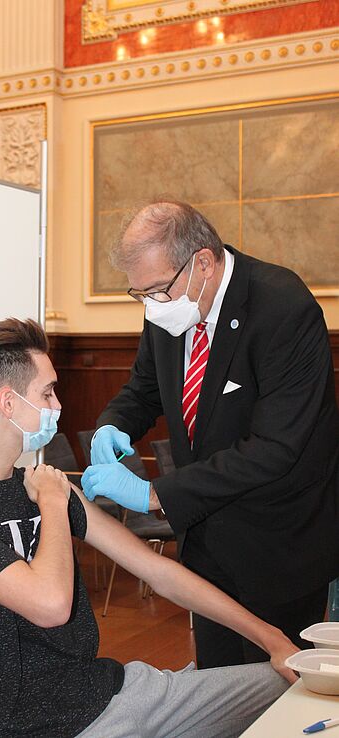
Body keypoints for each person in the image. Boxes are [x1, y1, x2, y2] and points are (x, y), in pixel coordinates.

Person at [0, 317, 298, 738]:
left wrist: (272, 639)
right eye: (48, 392)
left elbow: (158, 571)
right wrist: (55, 504)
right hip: (40, 726)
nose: (57, 406)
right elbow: (50, 605)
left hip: (119, 691)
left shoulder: (42, 485)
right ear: (7, 403)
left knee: (297, 685)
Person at [81, 199, 339, 671]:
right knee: (219, 685)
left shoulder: (282, 307)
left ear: (202, 261)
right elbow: (143, 388)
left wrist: (156, 493)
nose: (153, 305)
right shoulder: (170, 305)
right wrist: (112, 423)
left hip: (277, 543)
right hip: (207, 545)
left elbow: (275, 448)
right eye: (141, 295)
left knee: (274, 689)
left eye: (157, 290)